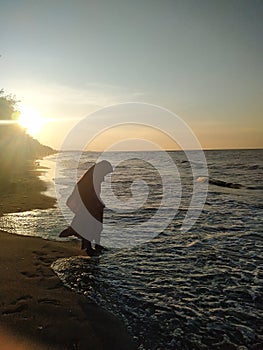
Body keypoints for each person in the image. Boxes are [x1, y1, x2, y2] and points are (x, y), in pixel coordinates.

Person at [59, 160, 113, 256]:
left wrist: (99, 203)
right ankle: (87, 246)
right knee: (89, 225)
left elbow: (95, 194)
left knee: (97, 225)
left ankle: (96, 244)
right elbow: (88, 195)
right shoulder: (92, 179)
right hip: (88, 205)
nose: (104, 178)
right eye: (105, 173)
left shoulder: (94, 177)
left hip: (92, 205)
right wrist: (96, 204)